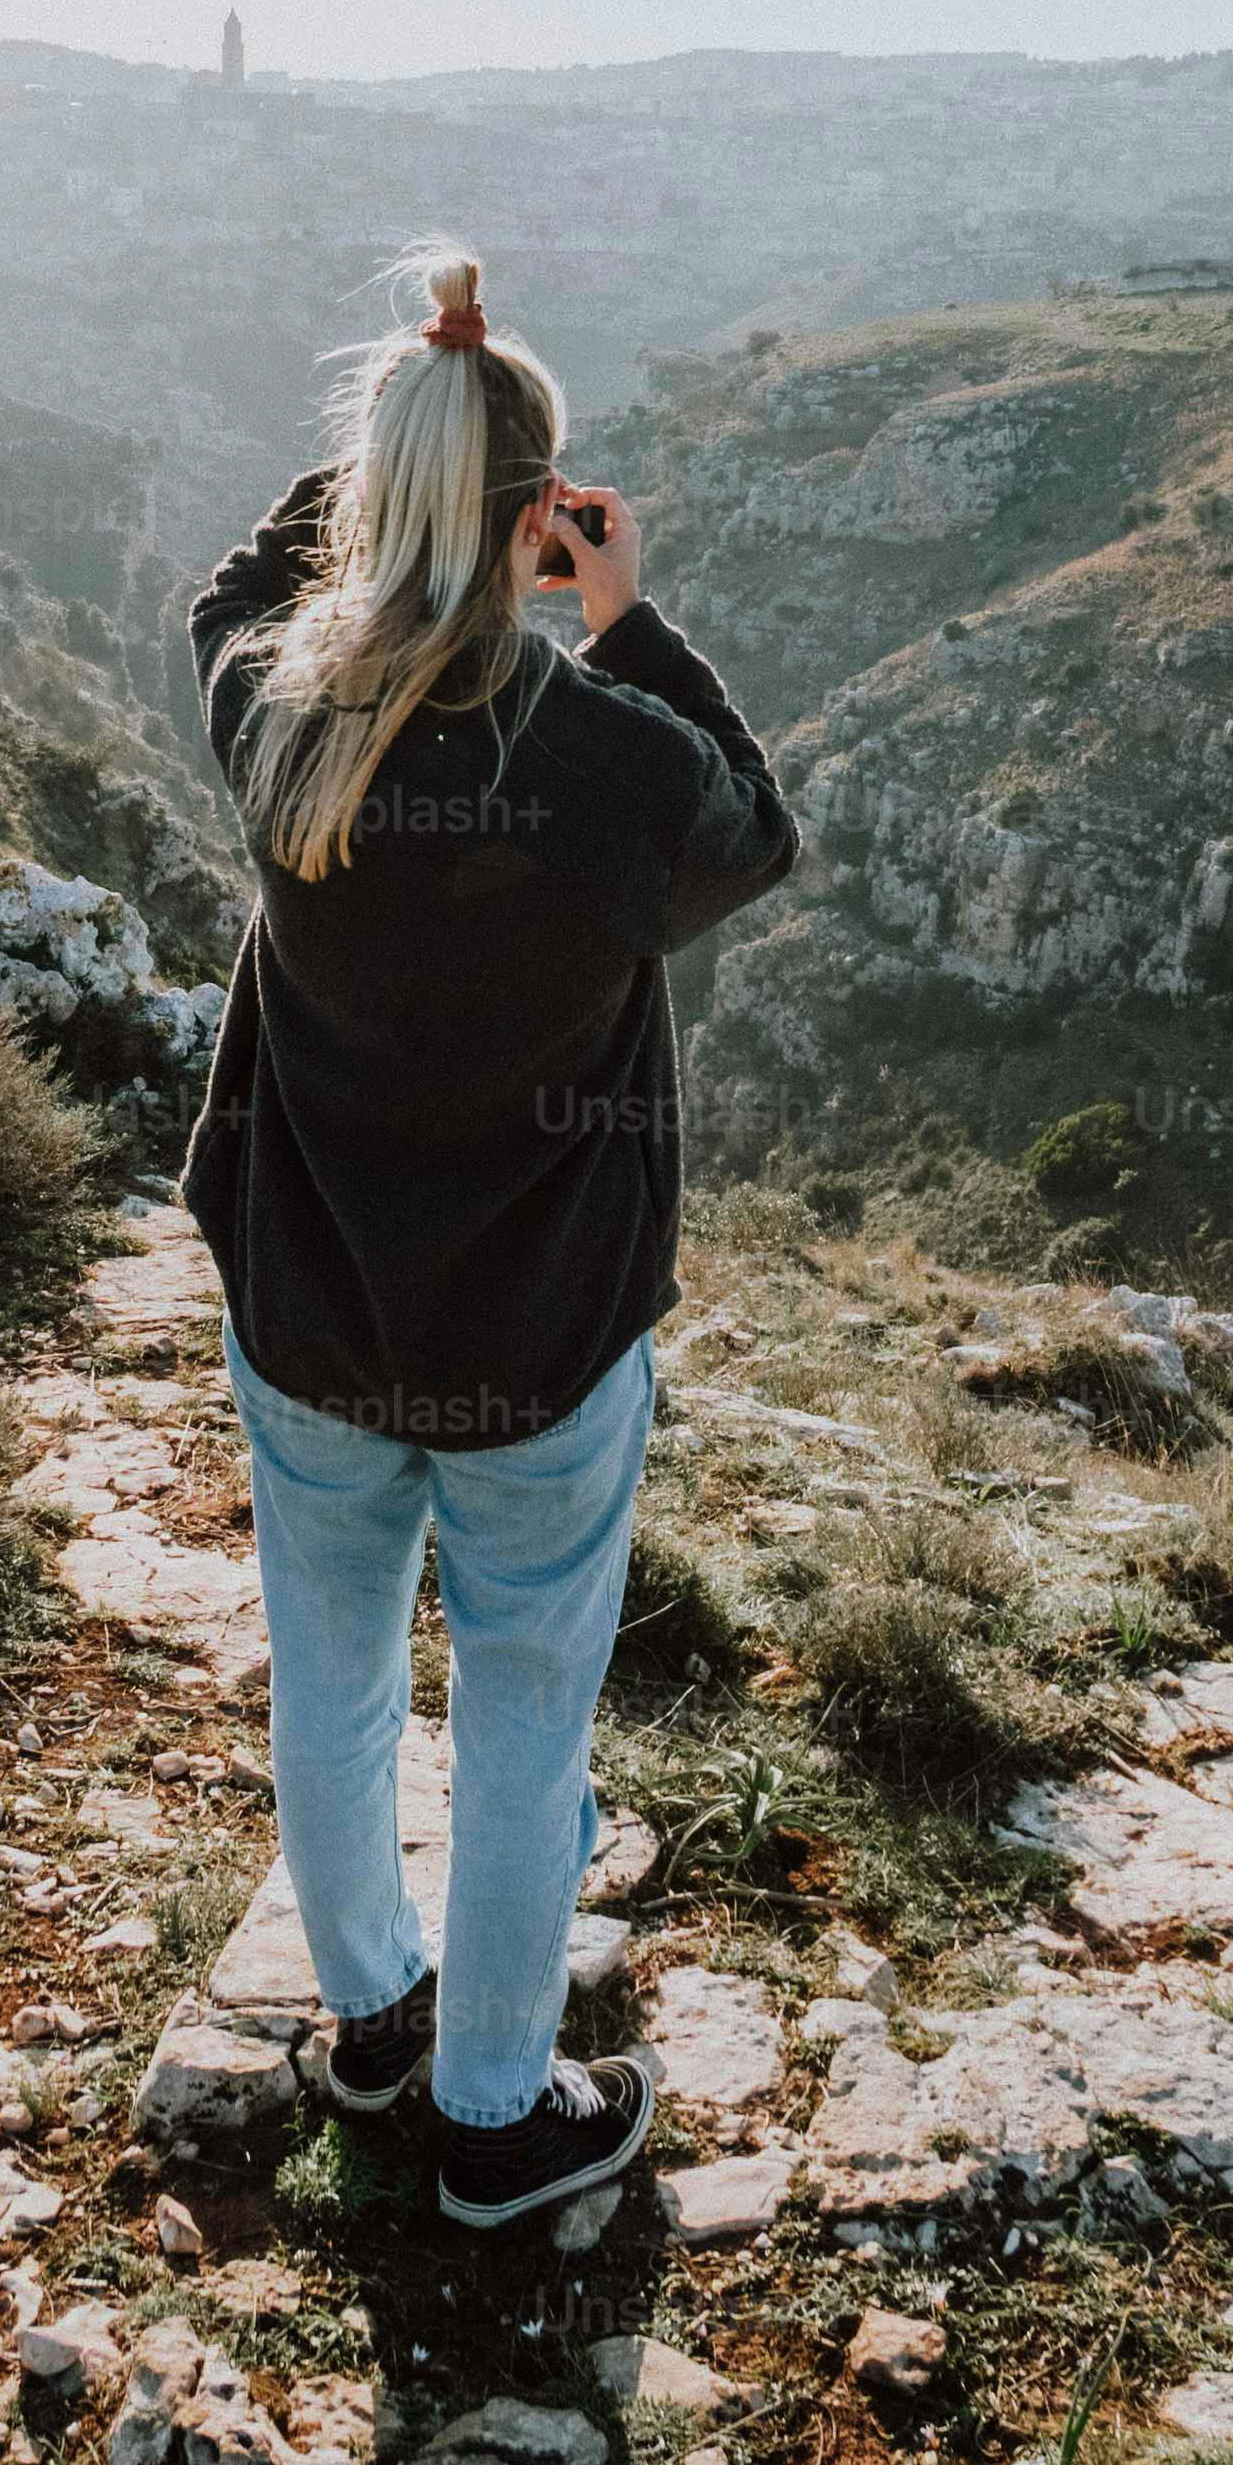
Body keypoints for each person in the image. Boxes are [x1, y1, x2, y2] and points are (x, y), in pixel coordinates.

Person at [179, 245, 800, 2227]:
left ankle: (369, 2010)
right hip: (536, 1337)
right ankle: (496, 2115)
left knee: (333, 1670)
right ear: (543, 513)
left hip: (313, 1308)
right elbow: (756, 825)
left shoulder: (279, 718)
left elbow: (230, 594)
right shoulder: (606, 763)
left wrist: (392, 483)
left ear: (376, 490)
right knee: (526, 1716)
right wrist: (624, 613)